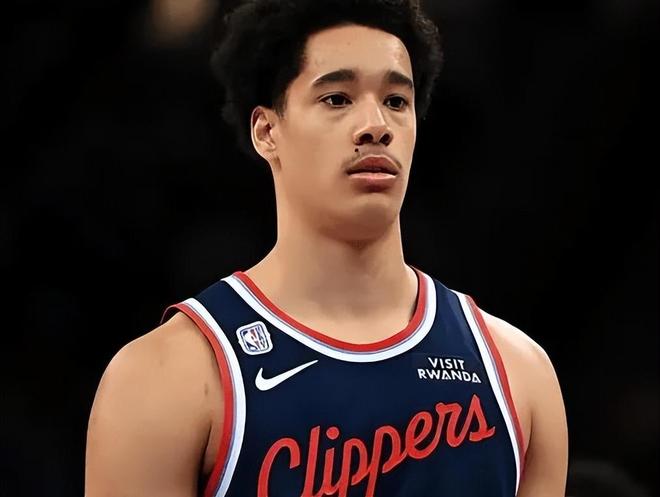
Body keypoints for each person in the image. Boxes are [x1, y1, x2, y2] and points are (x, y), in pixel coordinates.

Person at [85, 0, 568, 496]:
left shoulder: (518, 372)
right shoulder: (167, 379)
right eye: (337, 98)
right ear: (267, 131)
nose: (376, 125)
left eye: (396, 101)